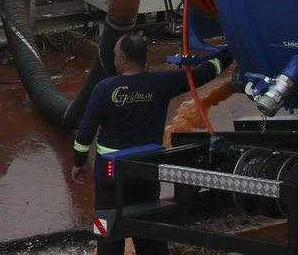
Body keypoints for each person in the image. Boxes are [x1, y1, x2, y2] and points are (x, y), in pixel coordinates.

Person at [71, 33, 230, 255]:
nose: (115, 58)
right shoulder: (162, 82)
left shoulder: (104, 89)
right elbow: (204, 73)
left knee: (105, 231)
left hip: (109, 177)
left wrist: (78, 162)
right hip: (145, 172)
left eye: (116, 54)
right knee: (150, 233)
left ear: (124, 59)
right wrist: (230, 51)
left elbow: (85, 133)